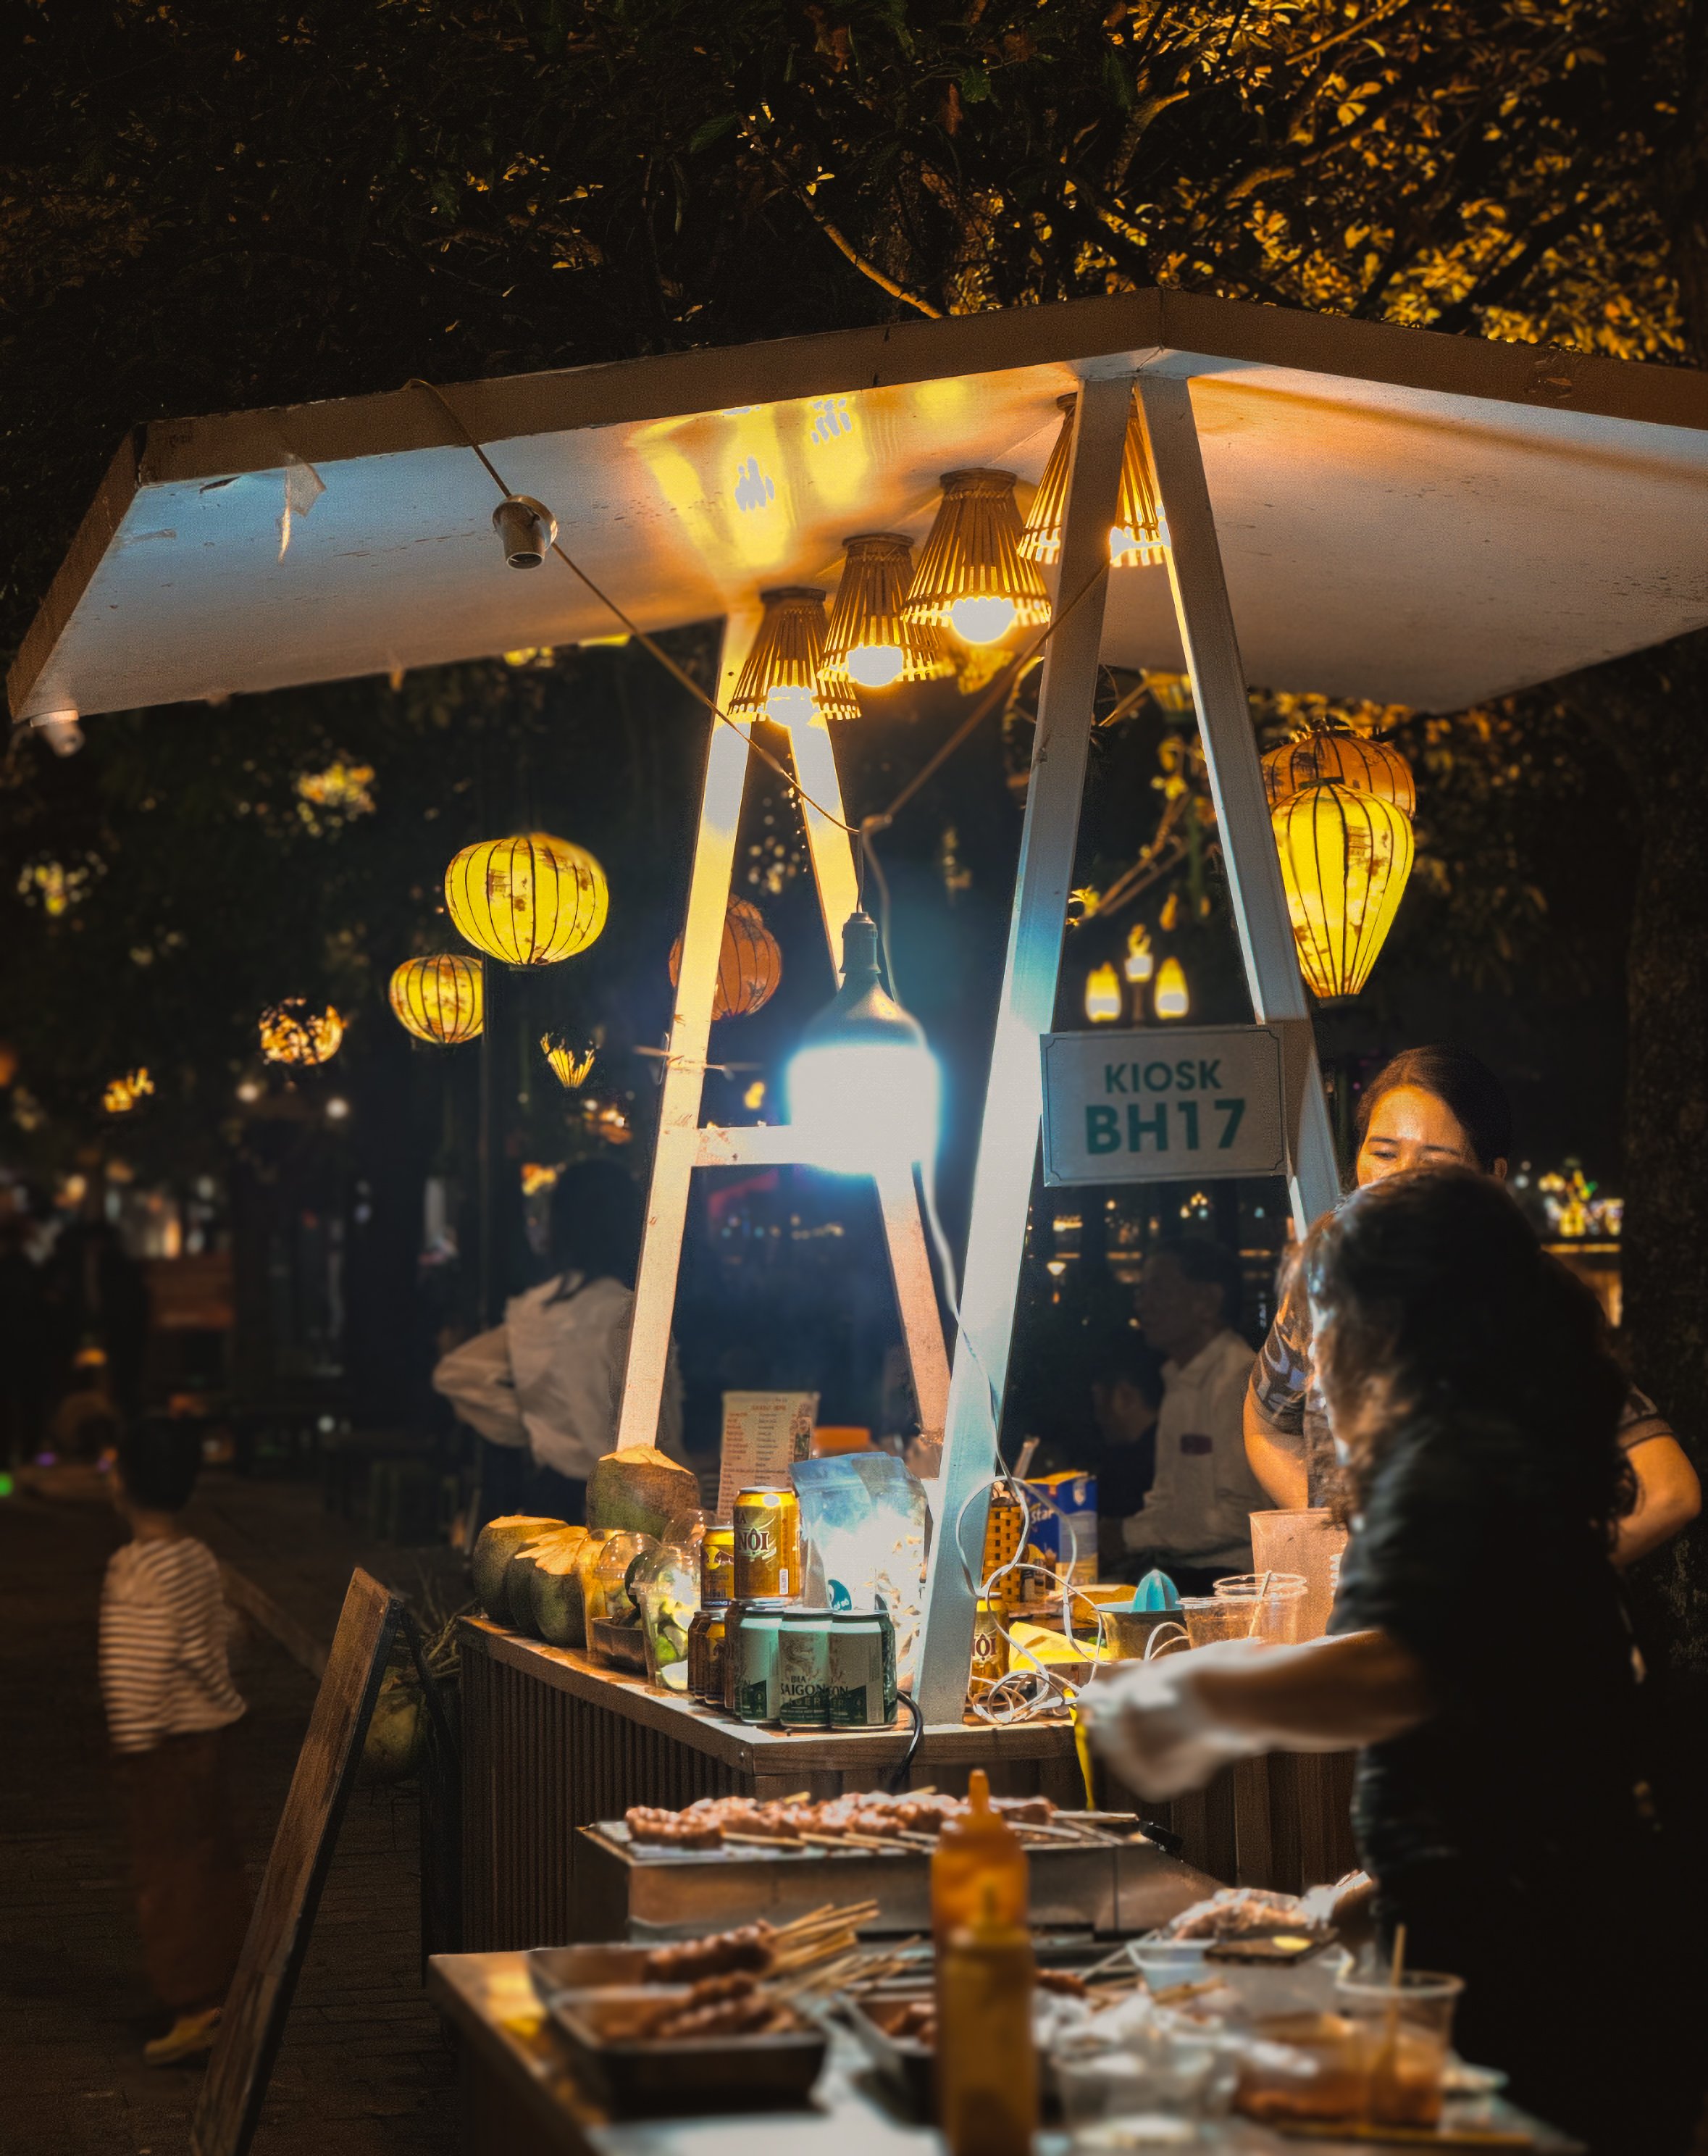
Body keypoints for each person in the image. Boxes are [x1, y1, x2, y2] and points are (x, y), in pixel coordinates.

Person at [1089, 1171, 1700, 2155]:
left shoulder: (1450, 1455)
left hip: (1541, 1965)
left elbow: (1401, 1671)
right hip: (1581, 1938)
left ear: (1393, 1323)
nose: (1315, 1357)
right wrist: (1358, 1903)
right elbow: (1504, 1720)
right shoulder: (1504, 1442)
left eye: (1325, 1320)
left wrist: (1190, 1696)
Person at [1244, 1044, 1699, 1563]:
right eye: (1384, 1152)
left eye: (1436, 1161)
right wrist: (1349, 1540)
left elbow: (1668, 1492)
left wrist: (1507, 1594)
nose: (1399, 1180)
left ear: (1491, 1179)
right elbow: (1267, 1426)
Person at [101, 1417, 251, 2068]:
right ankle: (223, 1991)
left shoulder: (135, 1569)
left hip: (164, 1750)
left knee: (169, 1880)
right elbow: (225, 1633)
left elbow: (135, 1671)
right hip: (211, 1739)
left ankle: (193, 2008)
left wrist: (132, 1747)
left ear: (123, 1484)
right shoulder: (194, 1557)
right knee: (212, 1868)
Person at [432, 1158, 685, 1526]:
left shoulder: (539, 1309)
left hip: (552, 1499)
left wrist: (537, 1426)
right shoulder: (627, 1312)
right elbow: (663, 1434)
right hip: (627, 1502)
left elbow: (457, 1375)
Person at [1121, 1238, 1270, 1594]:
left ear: (1207, 1301)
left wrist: (1127, 1535)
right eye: (1141, 1292)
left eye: (1158, 1290)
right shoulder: (1179, 1376)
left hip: (1231, 1583)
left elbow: (1245, 1519)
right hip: (1180, 1573)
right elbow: (1166, 1500)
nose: (1144, 1305)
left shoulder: (1238, 1380)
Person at [1086, 1329, 1166, 1574]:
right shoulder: (1143, 1451)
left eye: (1098, 1399)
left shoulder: (1138, 1463)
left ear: (1124, 1395)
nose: (1096, 1416)